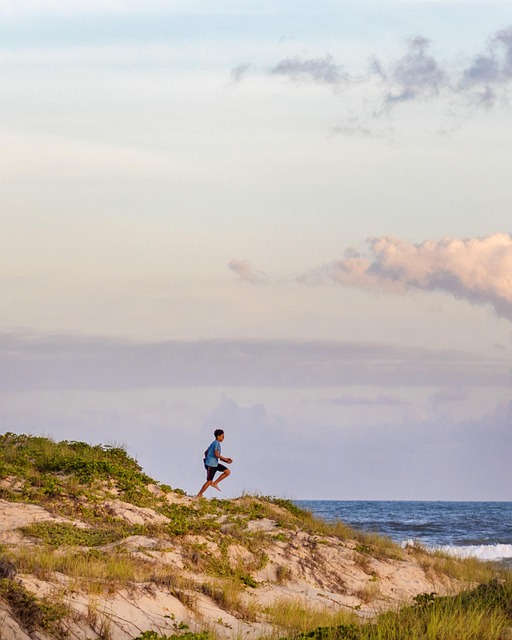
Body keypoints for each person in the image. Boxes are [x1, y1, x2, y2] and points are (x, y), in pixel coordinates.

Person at [196, 429, 233, 497]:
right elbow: (216, 454)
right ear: (218, 436)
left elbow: (206, 452)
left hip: (214, 464)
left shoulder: (213, 443)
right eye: (222, 437)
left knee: (227, 472)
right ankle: (199, 495)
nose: (223, 438)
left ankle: (215, 483)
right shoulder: (216, 443)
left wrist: (226, 461)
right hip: (211, 464)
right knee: (209, 481)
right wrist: (225, 458)